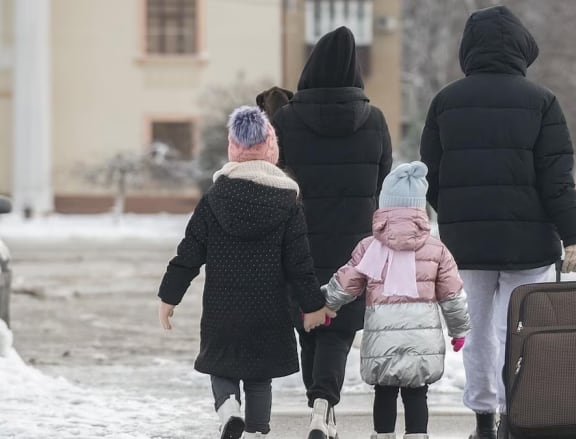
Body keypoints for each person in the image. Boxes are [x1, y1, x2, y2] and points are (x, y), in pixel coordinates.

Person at [419, 6, 576, 439]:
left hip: (466, 243)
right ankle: (517, 414)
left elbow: (431, 174)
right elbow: (557, 179)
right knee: (521, 330)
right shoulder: (542, 102)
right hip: (528, 241)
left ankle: (482, 420)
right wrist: (575, 237)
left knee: (476, 332)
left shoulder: (445, 101)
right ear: (521, 48)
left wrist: (454, 215)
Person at [157, 106, 335, 439]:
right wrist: (312, 305)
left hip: (223, 307)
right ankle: (256, 432)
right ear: (272, 150)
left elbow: (189, 253)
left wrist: (169, 295)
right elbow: (300, 263)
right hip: (268, 308)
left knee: (220, 366)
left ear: (233, 148)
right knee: (259, 377)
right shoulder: (288, 203)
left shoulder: (214, 199)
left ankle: (227, 410)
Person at [272, 26, 393, 438]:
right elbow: (384, 180)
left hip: (299, 237)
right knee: (337, 329)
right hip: (355, 243)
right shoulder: (374, 119)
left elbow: (276, 175)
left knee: (309, 320)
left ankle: (318, 406)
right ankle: (324, 405)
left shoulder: (286, 119)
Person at [323, 162, 471, 439]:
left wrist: (328, 304)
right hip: (422, 340)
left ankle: (383, 434)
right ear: (420, 211)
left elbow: (347, 283)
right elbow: (452, 295)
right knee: (417, 393)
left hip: (382, 339)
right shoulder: (437, 249)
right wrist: (459, 330)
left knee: (385, 390)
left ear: (384, 208)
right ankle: (417, 435)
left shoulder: (370, 247)